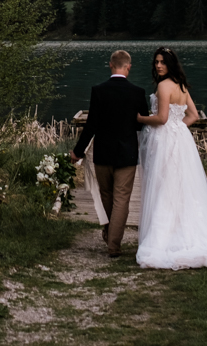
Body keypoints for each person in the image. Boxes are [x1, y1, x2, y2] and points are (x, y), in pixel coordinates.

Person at [134, 46, 207, 269]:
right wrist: (178, 127)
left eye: (162, 62)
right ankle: (183, 228)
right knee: (180, 184)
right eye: (156, 62)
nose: (158, 65)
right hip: (181, 139)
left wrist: (141, 119)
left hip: (165, 140)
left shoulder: (163, 86)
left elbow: (161, 118)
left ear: (170, 64)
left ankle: (165, 237)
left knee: (164, 184)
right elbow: (193, 115)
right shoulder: (181, 86)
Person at [70, 50, 149, 258]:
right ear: (129, 67)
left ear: (110, 65)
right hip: (127, 154)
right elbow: (142, 124)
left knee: (107, 195)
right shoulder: (138, 92)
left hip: (103, 153)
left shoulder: (98, 90)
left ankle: (109, 233)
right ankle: (114, 244)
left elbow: (91, 125)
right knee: (121, 199)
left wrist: (78, 151)